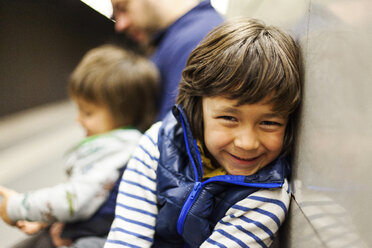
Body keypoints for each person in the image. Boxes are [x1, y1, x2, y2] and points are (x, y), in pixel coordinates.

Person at [104, 17, 303, 248]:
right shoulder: (157, 145)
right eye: (229, 118)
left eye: (269, 123)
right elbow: (126, 240)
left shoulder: (267, 196)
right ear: (197, 108)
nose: (247, 143)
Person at [0, 44, 159, 248]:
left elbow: (74, 199)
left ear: (124, 112)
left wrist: (18, 206)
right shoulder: (117, 143)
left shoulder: (119, 149)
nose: (78, 119)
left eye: (88, 113)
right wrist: (48, 219)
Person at [111, 0, 224, 120]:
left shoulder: (200, 39)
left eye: (123, 8)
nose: (120, 25)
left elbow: (176, 130)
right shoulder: (173, 39)